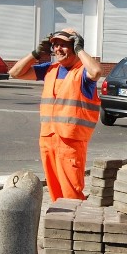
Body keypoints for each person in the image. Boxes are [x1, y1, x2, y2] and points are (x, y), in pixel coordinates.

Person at [8, 28, 102, 201]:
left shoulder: (83, 73)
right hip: (47, 139)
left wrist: (81, 50)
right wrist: (36, 53)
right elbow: (14, 73)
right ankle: (59, 224)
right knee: (55, 192)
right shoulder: (50, 69)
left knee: (71, 193)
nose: (58, 49)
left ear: (75, 47)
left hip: (70, 143)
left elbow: (96, 72)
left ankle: (75, 224)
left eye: (64, 45)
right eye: (55, 45)